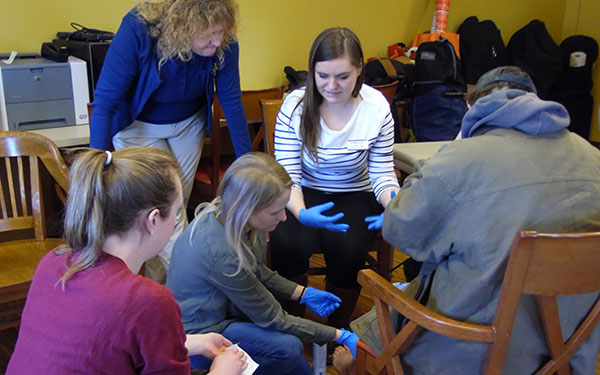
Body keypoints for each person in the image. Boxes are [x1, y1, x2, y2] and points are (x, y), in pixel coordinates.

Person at [334, 66, 600, 375]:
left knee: (363, 339)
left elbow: (399, 228)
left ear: (471, 108)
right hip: (567, 350)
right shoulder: (591, 156)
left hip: (470, 352)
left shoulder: (461, 159)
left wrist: (454, 147)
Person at [7, 147, 247, 375]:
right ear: (153, 220)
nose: (176, 220)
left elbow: (102, 342)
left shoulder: (53, 261)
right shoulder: (148, 299)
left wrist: (192, 342)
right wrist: (223, 370)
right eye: (176, 212)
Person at [90, 0, 252, 283]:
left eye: (222, 32)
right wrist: (97, 164)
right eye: (209, 34)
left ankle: (161, 291)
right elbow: (105, 101)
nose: (218, 42)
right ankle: (190, 290)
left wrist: (249, 162)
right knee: (167, 213)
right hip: (137, 128)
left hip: (187, 125)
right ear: (182, 24)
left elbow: (231, 100)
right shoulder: (138, 27)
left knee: (174, 209)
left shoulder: (222, 40)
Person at [166, 152, 360, 375]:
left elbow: (255, 270)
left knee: (294, 358)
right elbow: (275, 318)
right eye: (276, 212)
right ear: (248, 208)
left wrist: (302, 293)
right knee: (289, 349)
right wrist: (338, 334)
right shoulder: (222, 255)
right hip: (201, 333)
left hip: (224, 311)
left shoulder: (237, 218)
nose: (284, 218)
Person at [269, 27, 400, 331]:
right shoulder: (295, 107)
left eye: (342, 76)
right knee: (288, 244)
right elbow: (287, 175)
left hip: (355, 192)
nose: (332, 85)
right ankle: (295, 326)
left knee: (350, 249)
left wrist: (395, 205)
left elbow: (381, 172)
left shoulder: (376, 107)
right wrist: (300, 212)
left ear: (359, 70)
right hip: (302, 190)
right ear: (313, 71)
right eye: (323, 75)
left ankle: (336, 330)